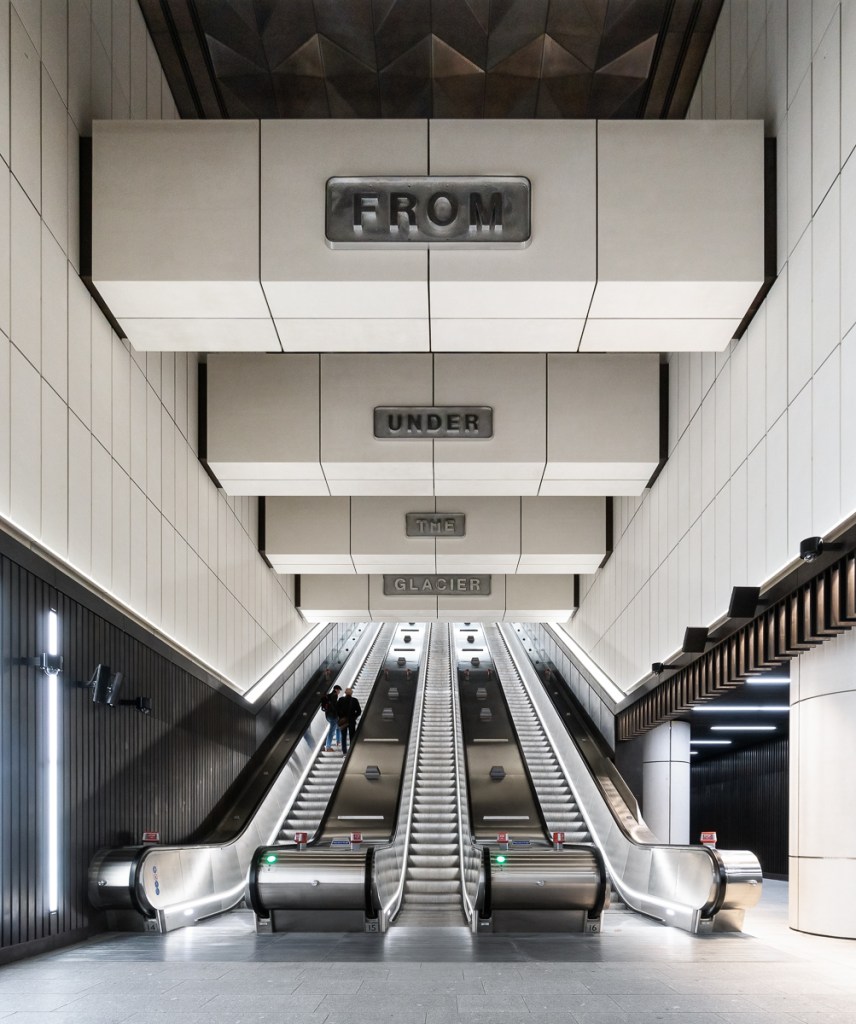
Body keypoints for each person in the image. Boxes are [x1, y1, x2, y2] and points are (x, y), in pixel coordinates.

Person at [336, 687, 361, 755]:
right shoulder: (355, 700)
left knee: (343, 737)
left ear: (345, 693)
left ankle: (344, 752)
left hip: (343, 721)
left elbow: (337, 710)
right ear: (351, 693)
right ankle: (351, 751)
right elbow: (359, 711)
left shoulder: (341, 700)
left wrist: (341, 717)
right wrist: (354, 717)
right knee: (352, 736)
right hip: (351, 721)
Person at [321, 684, 342, 751]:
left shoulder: (329, 695)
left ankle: (338, 741)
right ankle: (328, 747)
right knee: (332, 731)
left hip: (328, 715)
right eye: (338, 690)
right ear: (336, 689)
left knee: (338, 727)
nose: (339, 692)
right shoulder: (334, 695)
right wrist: (337, 713)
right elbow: (334, 706)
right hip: (333, 715)